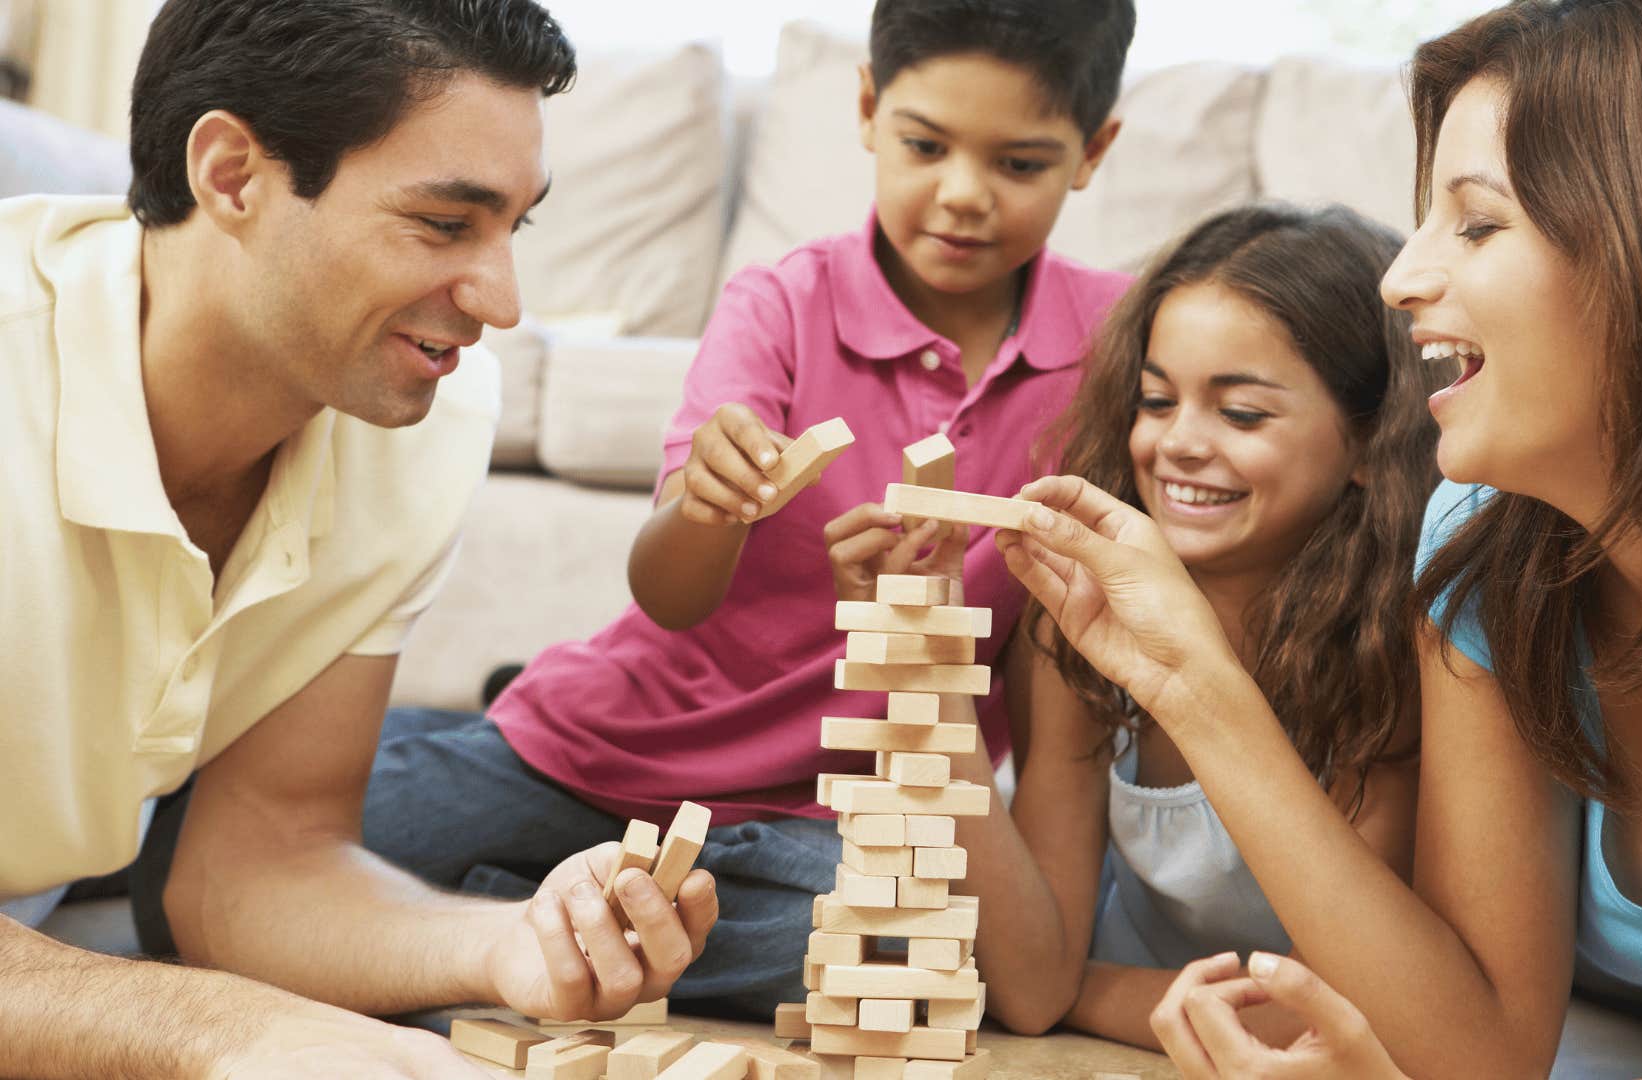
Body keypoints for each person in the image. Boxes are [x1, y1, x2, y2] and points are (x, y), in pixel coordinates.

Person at [993, 0, 1642, 1075]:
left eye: (1477, 225)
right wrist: (1194, 684)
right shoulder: (1487, 543)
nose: (1401, 281)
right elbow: (1476, 1046)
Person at [355, 0, 1137, 1017]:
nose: (961, 196)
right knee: (280, 848)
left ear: (1093, 151)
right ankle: (521, 887)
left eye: (1019, 165)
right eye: (924, 144)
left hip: (832, 821)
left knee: (907, 959)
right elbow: (668, 596)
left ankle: (509, 916)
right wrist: (709, 510)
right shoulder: (780, 305)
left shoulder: (1113, 347)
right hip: (605, 753)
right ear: (866, 109)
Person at [1, 3, 714, 1076]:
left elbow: (257, 861)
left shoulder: (416, 424)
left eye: (512, 227)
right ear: (232, 174)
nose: (502, 303)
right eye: (442, 223)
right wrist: (231, 1030)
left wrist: (505, 943)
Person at [885, 203, 1439, 1048]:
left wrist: (1082, 991)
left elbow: (1322, 1015)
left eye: (1242, 413)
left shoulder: (1394, 658)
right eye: (1155, 399)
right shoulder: (1082, 623)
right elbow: (1031, 988)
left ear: (1369, 445)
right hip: (1126, 970)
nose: (1179, 442)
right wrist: (935, 672)